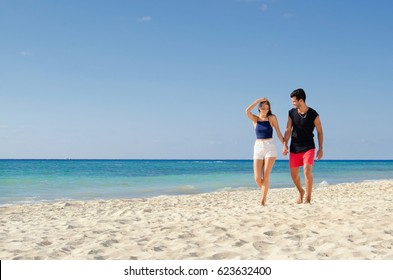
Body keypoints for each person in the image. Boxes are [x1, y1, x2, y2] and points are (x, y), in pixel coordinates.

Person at [282, 88, 324, 204]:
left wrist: (320, 148)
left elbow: (320, 131)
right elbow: (288, 130)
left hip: (309, 147)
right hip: (295, 147)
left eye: (294, 101)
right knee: (294, 175)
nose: (293, 103)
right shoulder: (291, 113)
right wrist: (285, 144)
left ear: (301, 100)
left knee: (307, 170)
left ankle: (308, 198)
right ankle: (301, 191)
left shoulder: (313, 114)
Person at [246, 97, 285, 205]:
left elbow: (278, 132)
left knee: (266, 175)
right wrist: (257, 100)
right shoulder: (255, 119)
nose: (265, 110)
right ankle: (265, 190)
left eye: (267, 108)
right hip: (258, 147)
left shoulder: (272, 118)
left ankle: (262, 200)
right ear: (259, 108)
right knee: (258, 178)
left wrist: (285, 145)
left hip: (270, 147)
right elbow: (247, 111)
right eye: (263, 108)